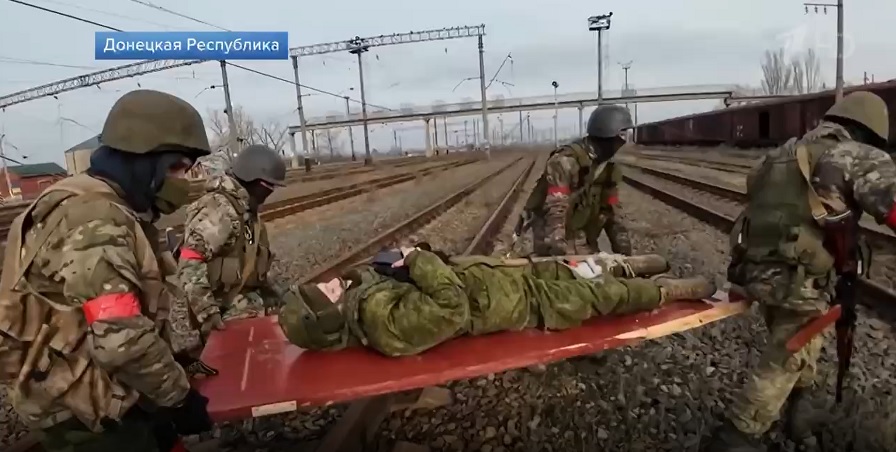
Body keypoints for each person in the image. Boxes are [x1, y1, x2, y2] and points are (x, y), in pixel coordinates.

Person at [0, 89, 215, 451]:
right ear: (144, 160)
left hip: (93, 382)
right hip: (82, 409)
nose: (184, 179)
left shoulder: (104, 203)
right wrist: (177, 399)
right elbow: (122, 337)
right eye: (177, 167)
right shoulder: (95, 219)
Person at [704, 91, 896, 452]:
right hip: (799, 276)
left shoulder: (779, 154)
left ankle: (800, 414)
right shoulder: (855, 154)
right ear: (867, 131)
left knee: (805, 336)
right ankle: (736, 435)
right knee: (786, 356)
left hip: (756, 268)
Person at [277, 245, 717, 357]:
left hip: (506, 280)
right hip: (522, 304)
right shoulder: (381, 323)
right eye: (330, 292)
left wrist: (399, 263)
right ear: (331, 317)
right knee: (601, 296)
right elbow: (451, 309)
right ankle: (668, 292)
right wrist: (420, 259)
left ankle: (630, 265)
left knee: (574, 268)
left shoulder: (362, 298)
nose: (335, 283)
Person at [176, 144, 287, 341]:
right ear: (254, 180)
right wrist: (207, 311)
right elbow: (190, 259)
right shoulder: (220, 209)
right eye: (269, 187)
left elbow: (251, 260)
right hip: (225, 308)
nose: (270, 192)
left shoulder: (246, 211)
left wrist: (278, 295)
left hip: (244, 299)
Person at [519, 104, 634, 257]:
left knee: (593, 271)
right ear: (608, 132)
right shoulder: (565, 161)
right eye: (622, 134)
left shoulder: (608, 168)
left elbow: (612, 210)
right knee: (562, 275)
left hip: (581, 235)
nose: (624, 141)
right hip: (552, 234)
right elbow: (556, 206)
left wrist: (625, 253)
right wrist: (560, 250)